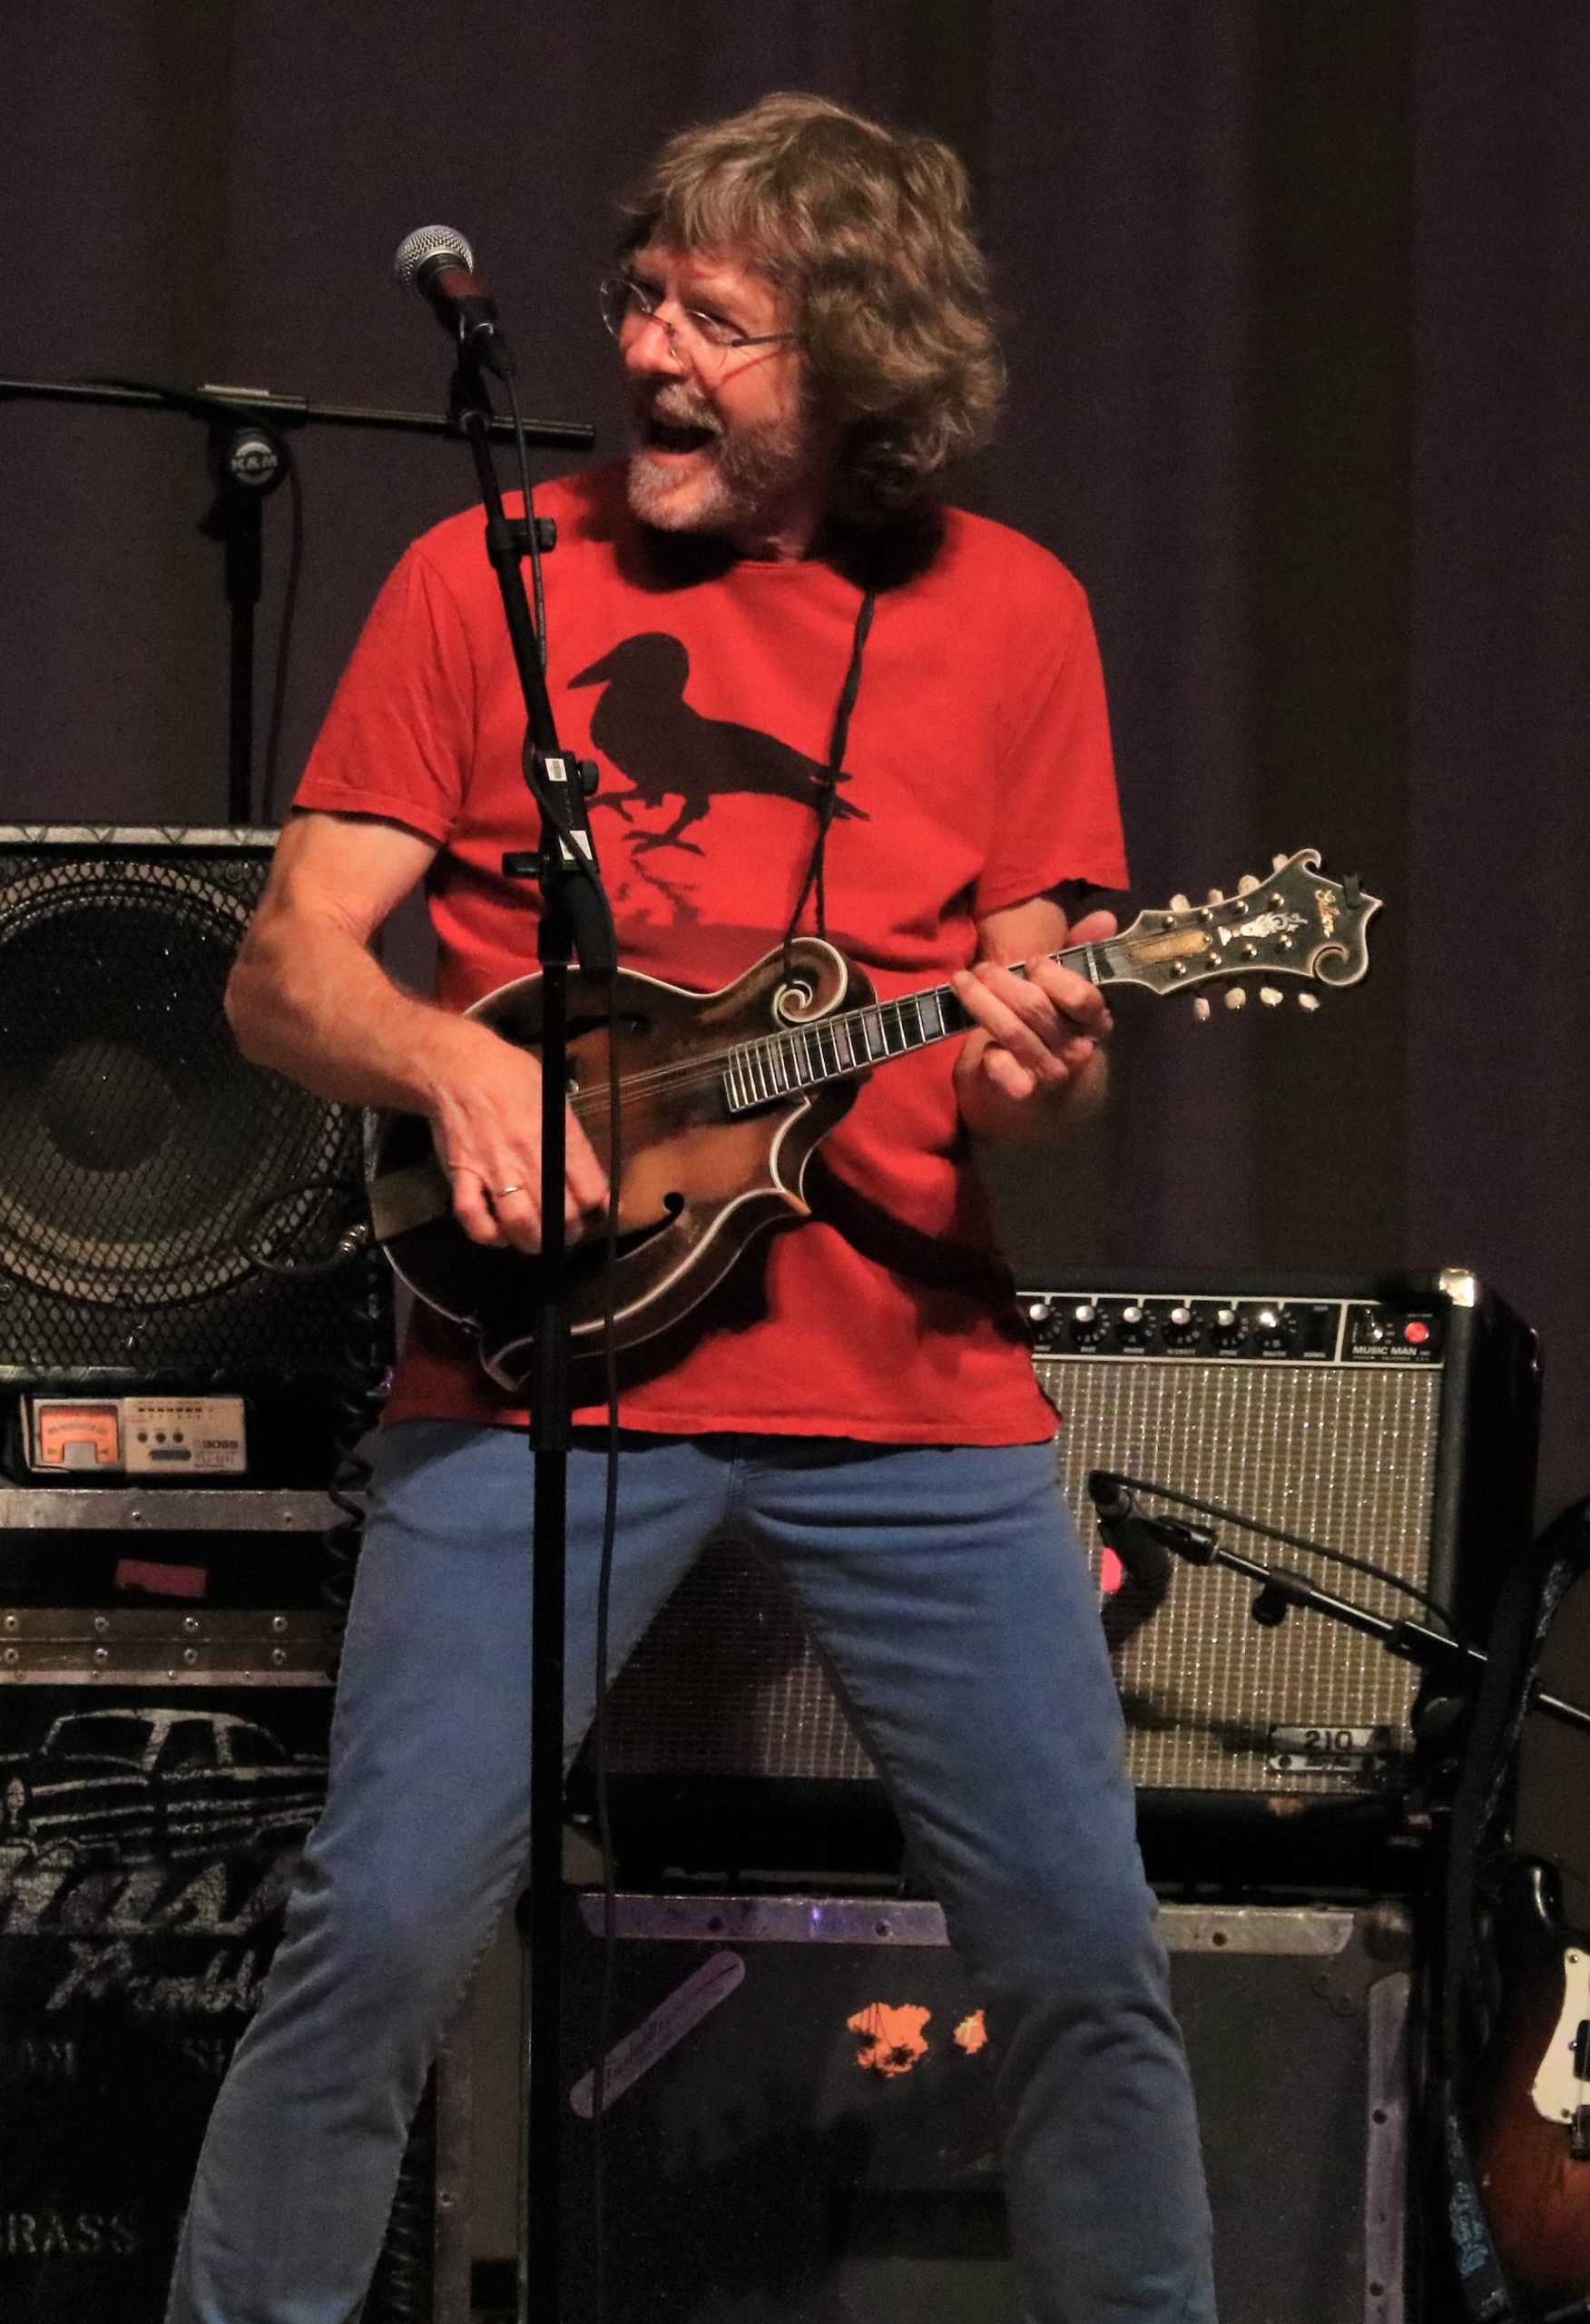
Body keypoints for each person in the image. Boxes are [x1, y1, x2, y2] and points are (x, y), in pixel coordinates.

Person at [168, 92, 1215, 2324]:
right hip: (534, 1372)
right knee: (379, 1930)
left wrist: (1045, 1063)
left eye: (716, 322)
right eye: (642, 297)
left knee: (1080, 1949)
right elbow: (282, 970)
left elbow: (1038, 1058)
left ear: (862, 364)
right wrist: (450, 1057)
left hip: (908, 1386)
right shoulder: (485, 579)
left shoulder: (1014, 613)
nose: (649, 350)